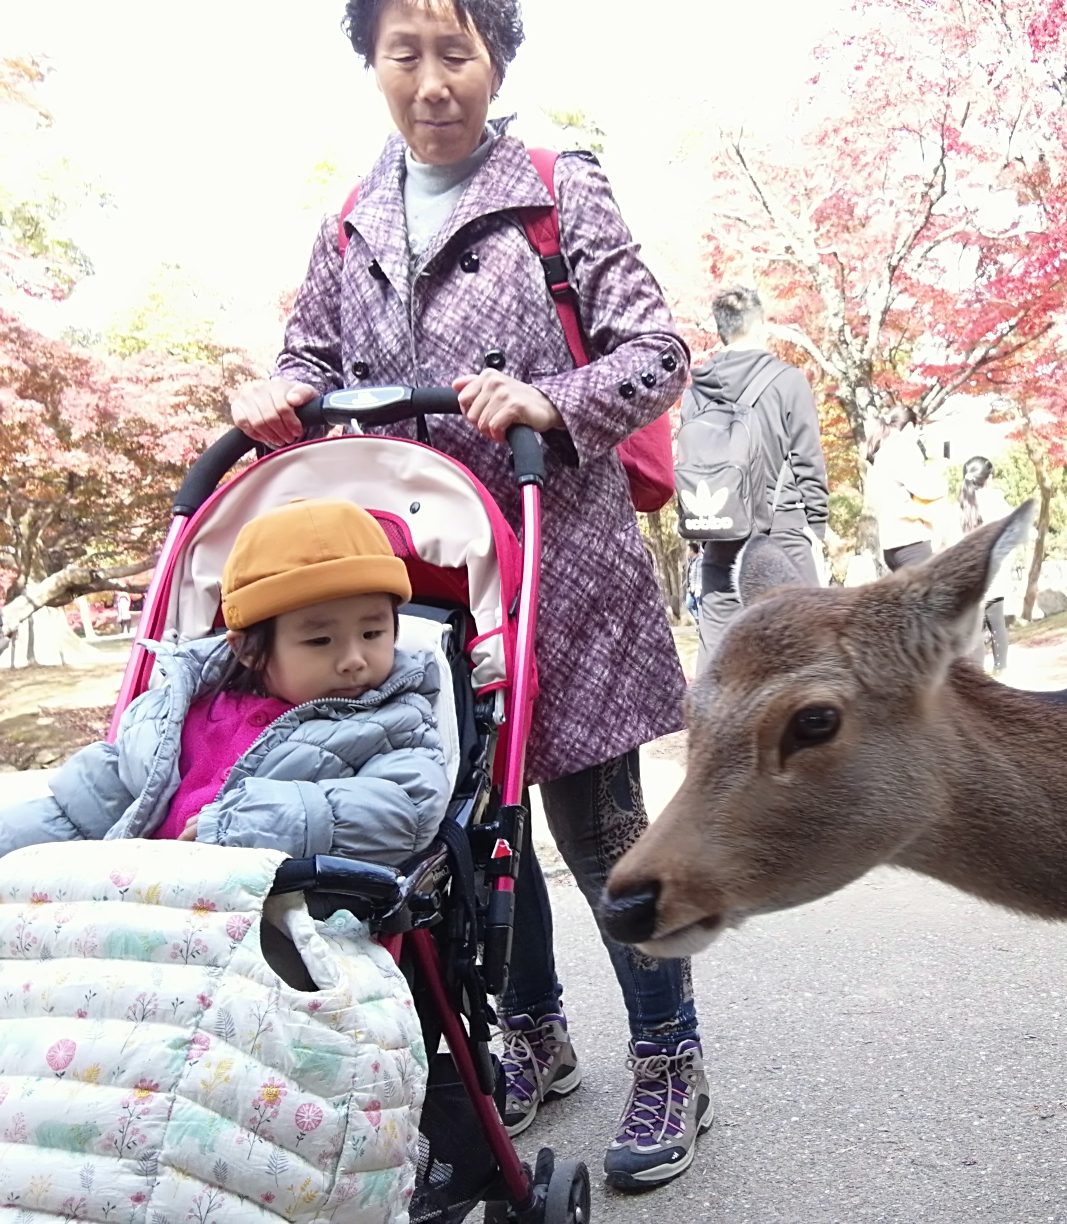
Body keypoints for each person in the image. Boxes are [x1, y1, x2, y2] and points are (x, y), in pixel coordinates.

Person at [226, 0, 709, 1190]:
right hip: (423, 579)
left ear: (497, 61)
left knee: (599, 836)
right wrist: (273, 393)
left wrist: (555, 399)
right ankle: (532, 1037)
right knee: (466, 828)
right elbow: (313, 357)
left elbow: (655, 350)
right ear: (371, 63)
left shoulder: (555, 185)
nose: (434, 81)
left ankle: (669, 1057)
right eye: (406, 54)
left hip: (563, 567)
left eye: (458, 53)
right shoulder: (350, 217)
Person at [0, 499, 449, 864]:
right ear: (250, 650)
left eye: (373, 633)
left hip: (264, 925)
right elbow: (94, 804)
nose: (353, 659)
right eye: (320, 640)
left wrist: (246, 826)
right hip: (137, 908)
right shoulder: (188, 711)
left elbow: (405, 808)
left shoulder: (393, 722)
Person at [689, 286, 829, 669]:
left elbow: (691, 460)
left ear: (720, 331)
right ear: (761, 325)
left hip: (719, 530)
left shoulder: (697, 390)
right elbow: (807, 458)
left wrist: (699, 534)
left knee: (718, 666)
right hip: (780, 530)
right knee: (811, 658)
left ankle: (715, 729)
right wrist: (816, 524)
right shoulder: (788, 381)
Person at [957, 456, 1015, 673]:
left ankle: (977, 675)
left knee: (974, 630)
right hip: (995, 572)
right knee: (997, 623)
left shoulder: (961, 503)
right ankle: (1001, 669)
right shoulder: (996, 501)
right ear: (988, 478)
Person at [869, 407, 945, 570]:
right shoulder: (898, 450)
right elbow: (929, 489)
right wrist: (941, 478)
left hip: (892, 546)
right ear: (910, 427)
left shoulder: (881, 454)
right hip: (912, 544)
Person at [684, 541, 703, 626]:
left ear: (692, 551)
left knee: (700, 607)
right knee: (689, 604)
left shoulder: (700, 560)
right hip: (691, 588)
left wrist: (698, 588)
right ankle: (698, 620)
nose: (686, 552)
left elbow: (699, 575)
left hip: (697, 588)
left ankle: (702, 624)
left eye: (688, 550)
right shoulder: (691, 561)